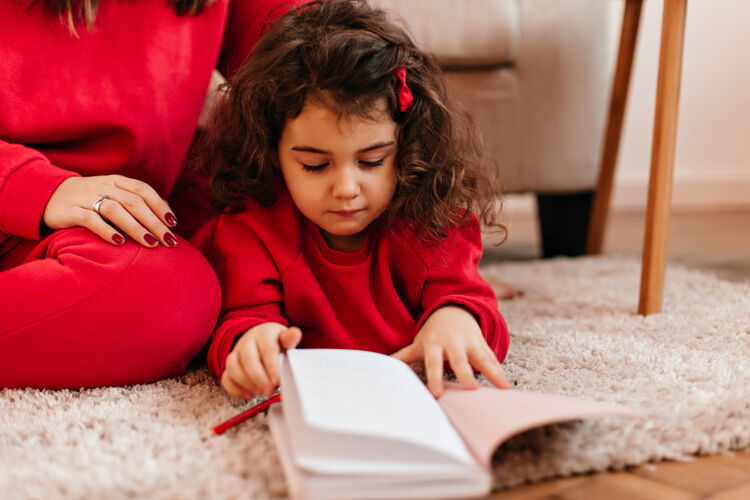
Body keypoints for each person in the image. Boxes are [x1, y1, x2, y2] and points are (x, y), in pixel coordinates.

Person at [194, 0, 511, 400]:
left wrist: (455, 320)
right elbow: (241, 319)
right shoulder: (253, 228)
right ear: (273, 150)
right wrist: (250, 346)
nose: (346, 188)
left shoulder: (430, 219)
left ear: (405, 146)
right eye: (314, 165)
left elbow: (473, 306)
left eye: (372, 161)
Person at [0, 0, 294, 389]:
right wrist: (36, 186)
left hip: (98, 225)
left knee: (179, 290)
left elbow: (306, 49)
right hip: (18, 190)